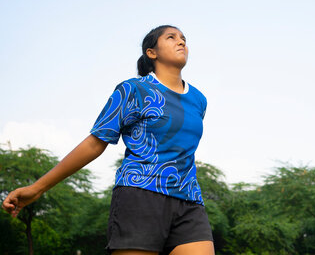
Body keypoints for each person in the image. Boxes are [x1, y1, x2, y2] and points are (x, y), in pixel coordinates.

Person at [2, 25, 214, 255]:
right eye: (171, 37)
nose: (181, 42)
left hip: (189, 200)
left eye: (183, 38)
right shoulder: (132, 90)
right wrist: (37, 188)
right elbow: (95, 143)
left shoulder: (198, 100)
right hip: (140, 195)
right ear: (151, 52)